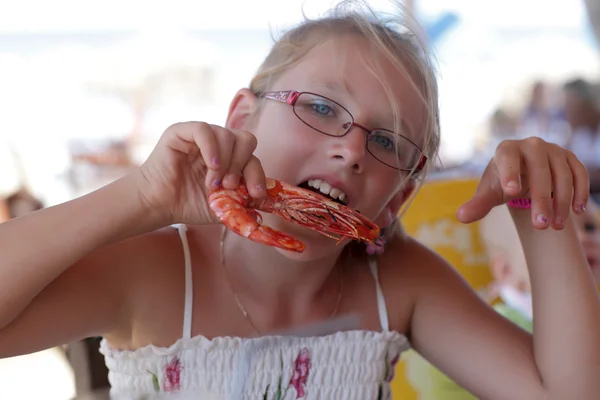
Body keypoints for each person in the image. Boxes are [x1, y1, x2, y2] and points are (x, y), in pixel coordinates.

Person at [0, 1, 599, 399]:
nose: (352, 149)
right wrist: (141, 197)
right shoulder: (156, 271)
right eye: (320, 107)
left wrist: (540, 213)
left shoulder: (399, 283)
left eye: (388, 140)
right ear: (241, 117)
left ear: (398, 199)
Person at [403, 199, 600, 399]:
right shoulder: (500, 327)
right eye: (556, 232)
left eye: (590, 227)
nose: (582, 237)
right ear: (506, 271)